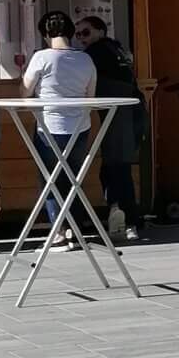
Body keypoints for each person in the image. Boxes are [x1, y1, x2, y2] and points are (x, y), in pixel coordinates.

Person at [21, 9, 96, 248]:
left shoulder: (42, 57)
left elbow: (24, 92)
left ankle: (58, 231)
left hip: (49, 126)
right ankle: (75, 228)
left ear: (45, 33)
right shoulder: (85, 58)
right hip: (80, 127)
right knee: (73, 179)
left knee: (50, 179)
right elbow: (90, 96)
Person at [75, 15, 143, 243]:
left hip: (117, 115)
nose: (81, 38)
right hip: (131, 112)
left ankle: (124, 218)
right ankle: (126, 218)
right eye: (78, 34)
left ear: (100, 31)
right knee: (119, 167)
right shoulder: (118, 49)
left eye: (85, 32)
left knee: (115, 168)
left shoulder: (95, 53)